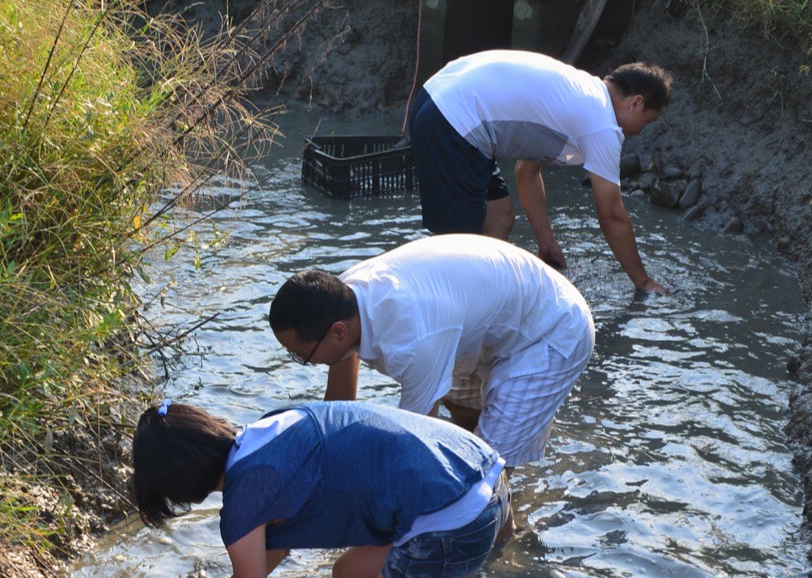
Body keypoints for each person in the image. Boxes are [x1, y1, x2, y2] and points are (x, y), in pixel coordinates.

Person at [131, 399, 509, 578]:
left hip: (455, 518)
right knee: (349, 576)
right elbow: (272, 553)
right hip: (481, 467)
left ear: (181, 487)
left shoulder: (244, 502)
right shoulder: (267, 430)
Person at [268, 233, 595, 469]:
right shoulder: (343, 298)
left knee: (485, 467)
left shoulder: (411, 340)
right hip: (491, 320)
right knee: (460, 411)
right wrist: (326, 456)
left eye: (301, 355)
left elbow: (415, 442)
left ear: (338, 332)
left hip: (551, 329)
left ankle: (503, 547)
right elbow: (338, 402)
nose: (302, 362)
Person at [409, 48, 671, 292]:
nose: (638, 132)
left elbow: (526, 171)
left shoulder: (578, 93)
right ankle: (452, 309)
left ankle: (493, 297)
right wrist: (643, 281)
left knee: (498, 216)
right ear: (635, 103)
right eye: (646, 122)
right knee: (461, 247)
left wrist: (546, 243)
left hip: (437, 99)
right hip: (453, 120)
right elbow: (612, 216)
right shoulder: (602, 125)